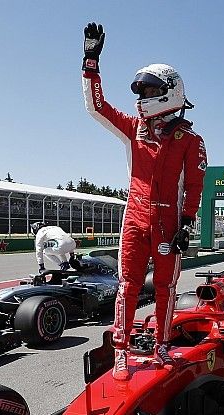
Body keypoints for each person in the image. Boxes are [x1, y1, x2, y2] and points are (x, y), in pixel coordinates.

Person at [81, 22, 207, 380]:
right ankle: (121, 350)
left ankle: (162, 346)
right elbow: (97, 107)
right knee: (128, 285)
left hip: (168, 224)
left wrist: (187, 222)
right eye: (141, 89)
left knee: (166, 286)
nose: (142, 95)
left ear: (170, 92)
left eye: (150, 89)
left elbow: (194, 185)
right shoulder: (132, 127)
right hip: (134, 218)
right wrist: (90, 61)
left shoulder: (189, 139)